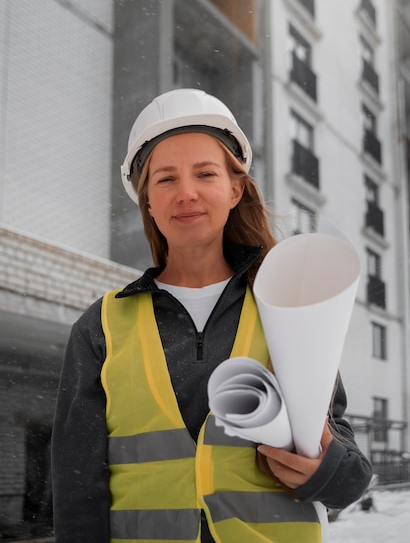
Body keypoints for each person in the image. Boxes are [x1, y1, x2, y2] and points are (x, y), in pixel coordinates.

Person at [51, 88, 372, 543]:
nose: (186, 193)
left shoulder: (287, 309)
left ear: (235, 187)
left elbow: (351, 480)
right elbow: (77, 490)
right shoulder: (100, 327)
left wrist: (323, 468)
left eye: (205, 173)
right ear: (146, 200)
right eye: (164, 179)